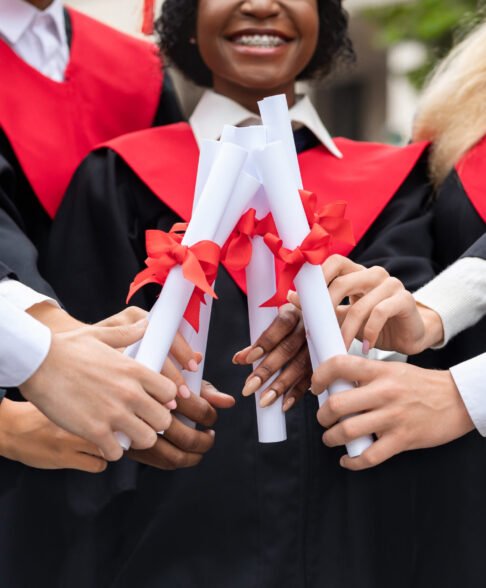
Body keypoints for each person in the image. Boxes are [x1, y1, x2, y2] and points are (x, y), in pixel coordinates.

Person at [43, 1, 440, 586]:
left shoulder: (402, 181)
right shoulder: (117, 176)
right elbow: (68, 382)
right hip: (164, 552)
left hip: (361, 547)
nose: (259, 3)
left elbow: (426, 362)